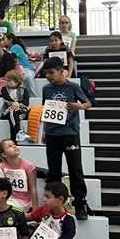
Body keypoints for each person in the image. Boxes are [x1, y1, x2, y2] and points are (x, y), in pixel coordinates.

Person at [41, 58, 91, 221]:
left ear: (61, 71)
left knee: (75, 169)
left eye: (51, 73)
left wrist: (79, 106)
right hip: (52, 134)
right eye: (46, 73)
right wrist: (44, 130)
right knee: (53, 171)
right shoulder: (46, 89)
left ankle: (80, 202)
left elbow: (88, 103)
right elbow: (46, 110)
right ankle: (54, 204)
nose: (48, 76)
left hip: (70, 133)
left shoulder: (73, 87)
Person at [0, 138, 39, 212]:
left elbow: (33, 189)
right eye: (9, 146)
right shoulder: (1, 167)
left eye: (14, 144)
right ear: (4, 154)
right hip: (8, 198)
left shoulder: (28, 166)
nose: (14, 146)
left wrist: (35, 211)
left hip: (23, 201)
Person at [0, 70, 31, 142]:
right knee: (13, 109)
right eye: (6, 80)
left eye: (9, 81)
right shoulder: (4, 89)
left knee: (14, 114)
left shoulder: (24, 91)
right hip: (7, 112)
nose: (6, 82)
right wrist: (14, 103)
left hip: (20, 112)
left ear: (16, 82)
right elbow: (6, 98)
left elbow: (26, 103)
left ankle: (15, 138)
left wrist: (18, 104)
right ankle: (18, 131)